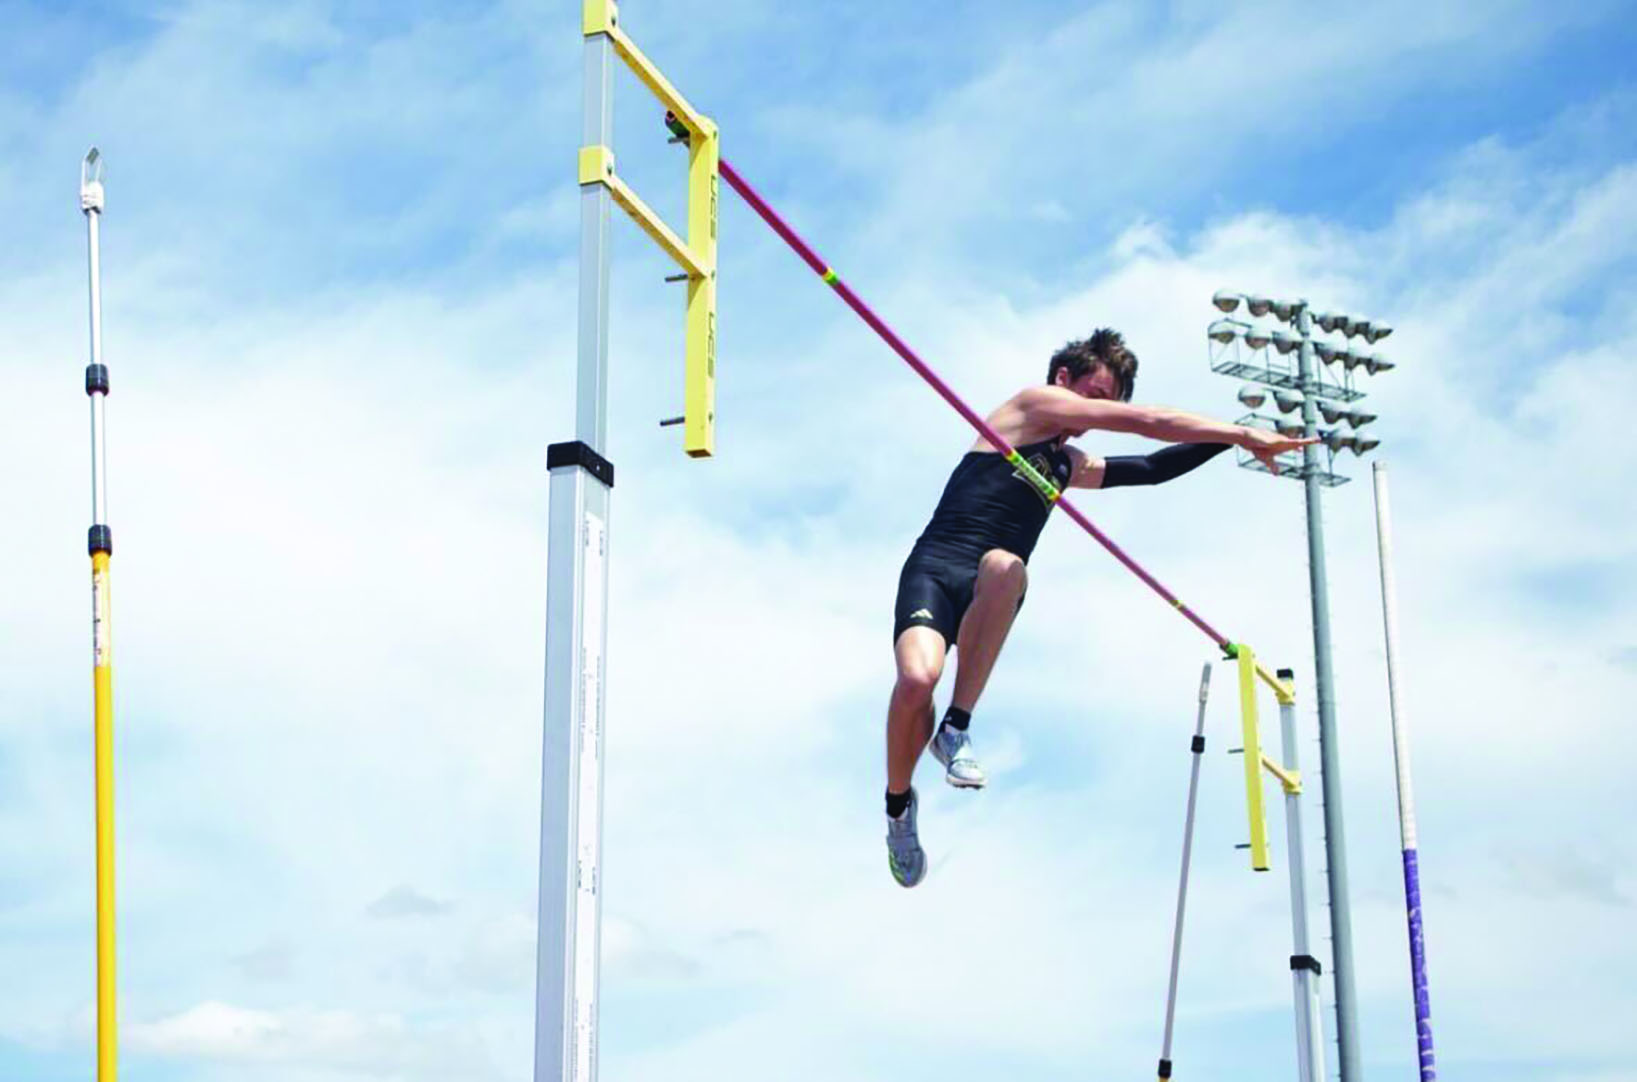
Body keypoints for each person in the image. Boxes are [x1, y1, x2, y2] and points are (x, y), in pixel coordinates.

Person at [884, 328, 1314, 887]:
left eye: (1110, 404)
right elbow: (1148, 423)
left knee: (1008, 566)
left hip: (991, 584)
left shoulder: (1068, 464)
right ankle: (897, 809)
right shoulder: (1029, 406)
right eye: (1096, 396)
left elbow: (1153, 467)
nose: (1100, 413)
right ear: (1065, 380)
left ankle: (956, 726)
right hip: (935, 567)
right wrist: (1240, 428)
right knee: (918, 680)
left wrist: (1233, 444)